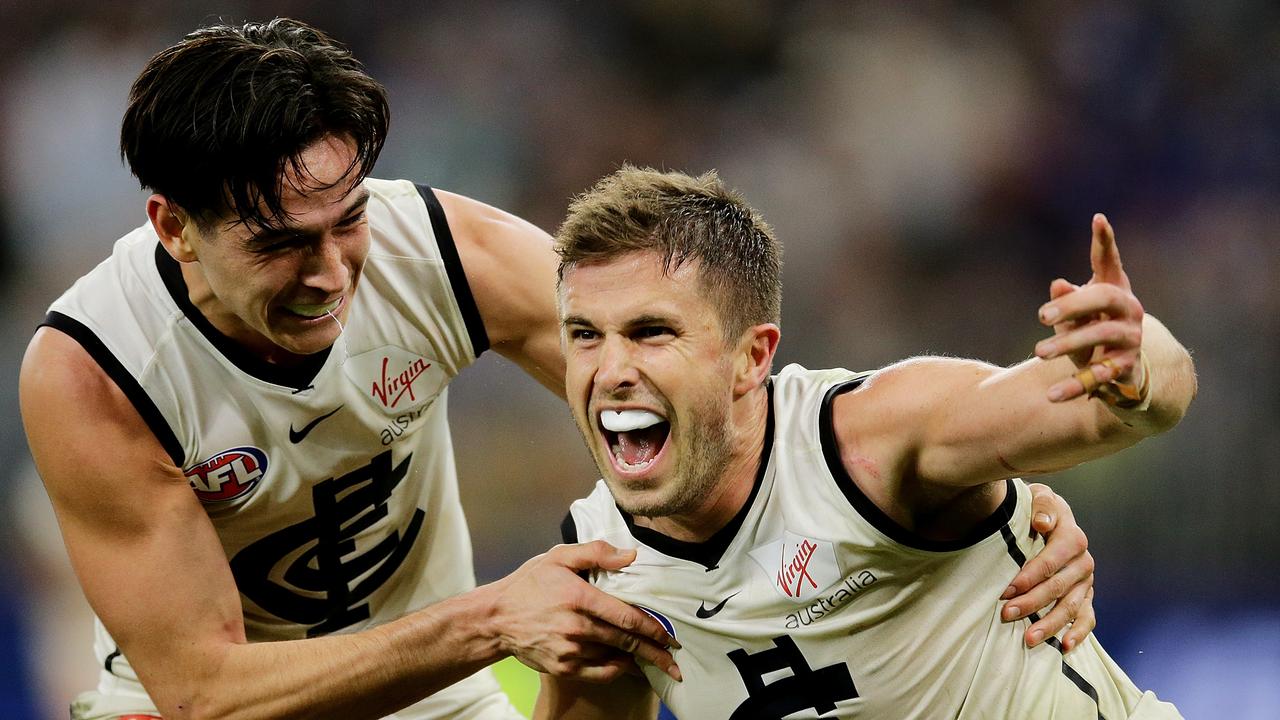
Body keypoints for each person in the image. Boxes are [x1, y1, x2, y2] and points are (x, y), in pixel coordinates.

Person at [18, 19, 1097, 720]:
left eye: (345, 220)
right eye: (280, 244)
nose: (333, 271)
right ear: (174, 227)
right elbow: (204, 690)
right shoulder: (96, 374)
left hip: (436, 698)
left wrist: (970, 500)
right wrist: (492, 621)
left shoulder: (435, 250)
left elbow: (720, 408)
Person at [536, 167, 1195, 719]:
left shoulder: (870, 440)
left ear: (750, 359)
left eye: (651, 331)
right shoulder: (602, 570)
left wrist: (1135, 367)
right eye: (585, 334)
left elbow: (1115, 410)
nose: (611, 371)